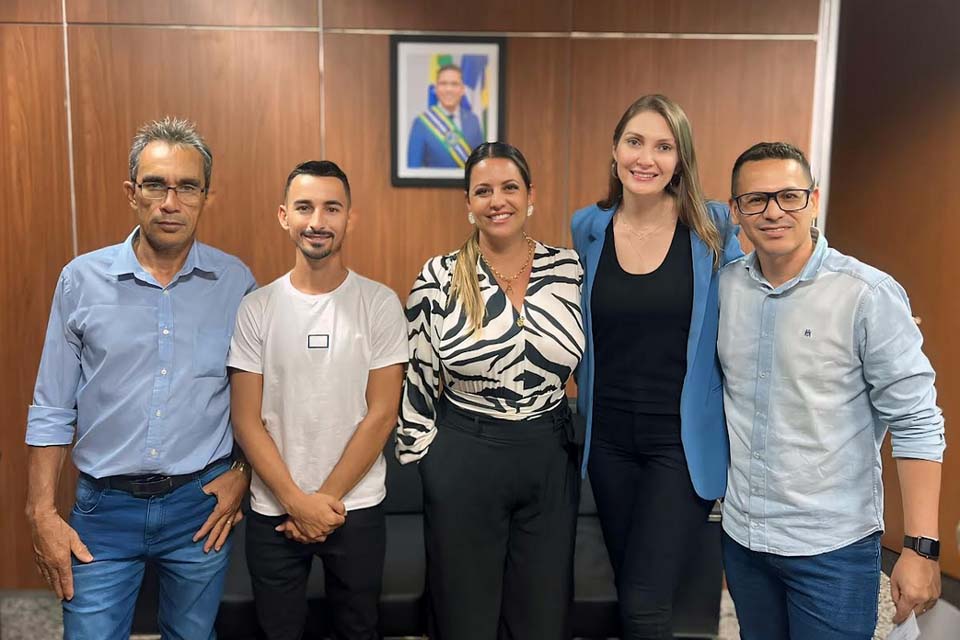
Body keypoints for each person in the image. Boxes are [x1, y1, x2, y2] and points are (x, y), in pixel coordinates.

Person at [25, 116, 256, 639]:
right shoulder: (80, 279)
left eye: (187, 187)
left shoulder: (235, 282)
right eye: (156, 185)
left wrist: (243, 472)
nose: (170, 203)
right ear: (132, 193)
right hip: (104, 511)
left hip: (200, 507)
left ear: (205, 196)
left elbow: (256, 399)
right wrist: (41, 512)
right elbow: (52, 407)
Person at [719, 141, 945, 639]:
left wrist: (921, 547)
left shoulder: (866, 294)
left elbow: (917, 422)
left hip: (832, 551)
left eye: (789, 196)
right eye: (755, 199)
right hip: (745, 540)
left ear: (814, 201)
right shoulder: (726, 288)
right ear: (735, 211)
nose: (773, 211)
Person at [570, 94, 742, 639]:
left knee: (644, 603)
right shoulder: (587, 227)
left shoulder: (714, 227)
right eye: (635, 142)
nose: (646, 158)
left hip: (681, 445)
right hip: (608, 442)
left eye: (664, 146)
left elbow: (754, 305)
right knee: (634, 591)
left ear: (681, 159)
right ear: (615, 149)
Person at [397, 142, 584, 639]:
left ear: (530, 197)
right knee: (465, 617)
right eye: (483, 191)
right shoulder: (437, 278)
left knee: (541, 616)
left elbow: (594, 365)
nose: (497, 200)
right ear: (468, 203)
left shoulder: (570, 271)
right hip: (465, 454)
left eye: (509, 188)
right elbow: (416, 379)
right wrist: (427, 461)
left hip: (550, 453)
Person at [228, 160, 407, 639]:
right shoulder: (256, 308)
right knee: (278, 631)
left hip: (356, 505)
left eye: (332, 208)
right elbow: (246, 421)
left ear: (351, 217)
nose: (318, 221)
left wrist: (321, 503)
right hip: (274, 508)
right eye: (304, 207)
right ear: (284, 215)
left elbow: (382, 414)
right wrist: (295, 502)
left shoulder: (380, 304)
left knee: (359, 630)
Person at [407, 63, 485, 169]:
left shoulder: (473, 120)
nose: (449, 89)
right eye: (443, 84)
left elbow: (480, 165)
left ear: (462, 90)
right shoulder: (421, 123)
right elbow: (413, 168)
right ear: (435, 89)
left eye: (454, 84)